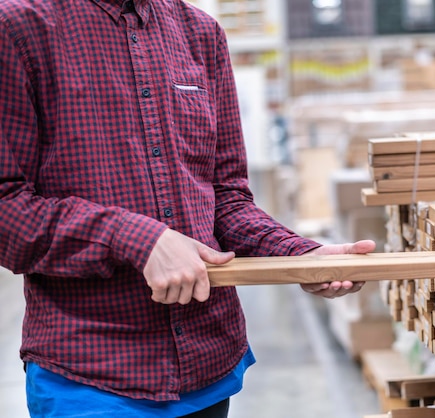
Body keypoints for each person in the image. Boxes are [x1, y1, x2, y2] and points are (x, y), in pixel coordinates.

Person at [0, 0, 376, 416]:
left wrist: (301, 254)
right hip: (93, 374)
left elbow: (226, 199)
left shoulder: (201, 33)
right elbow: (6, 209)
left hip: (209, 366)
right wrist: (135, 238)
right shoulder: (17, 29)